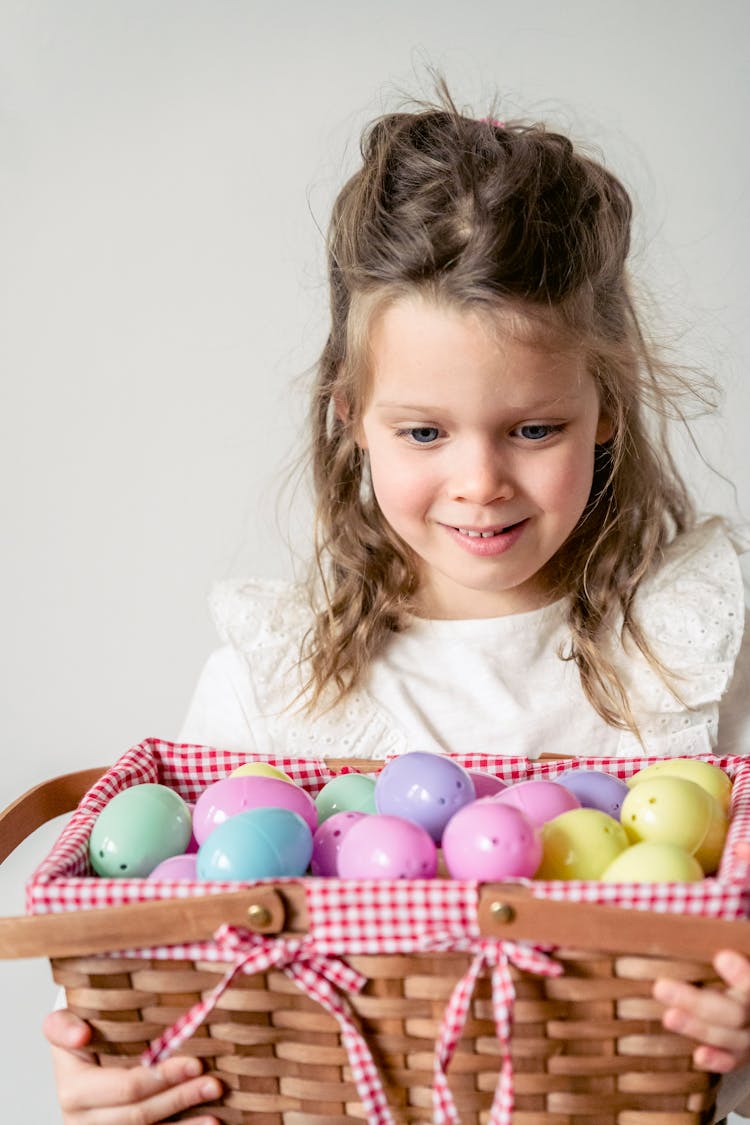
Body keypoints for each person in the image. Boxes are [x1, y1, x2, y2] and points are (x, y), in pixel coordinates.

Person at [43, 84, 750, 1124]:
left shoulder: (689, 651)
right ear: (352, 419)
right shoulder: (272, 682)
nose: (480, 481)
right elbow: (191, 955)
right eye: (424, 433)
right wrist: (125, 1083)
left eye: (533, 429)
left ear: (607, 411)